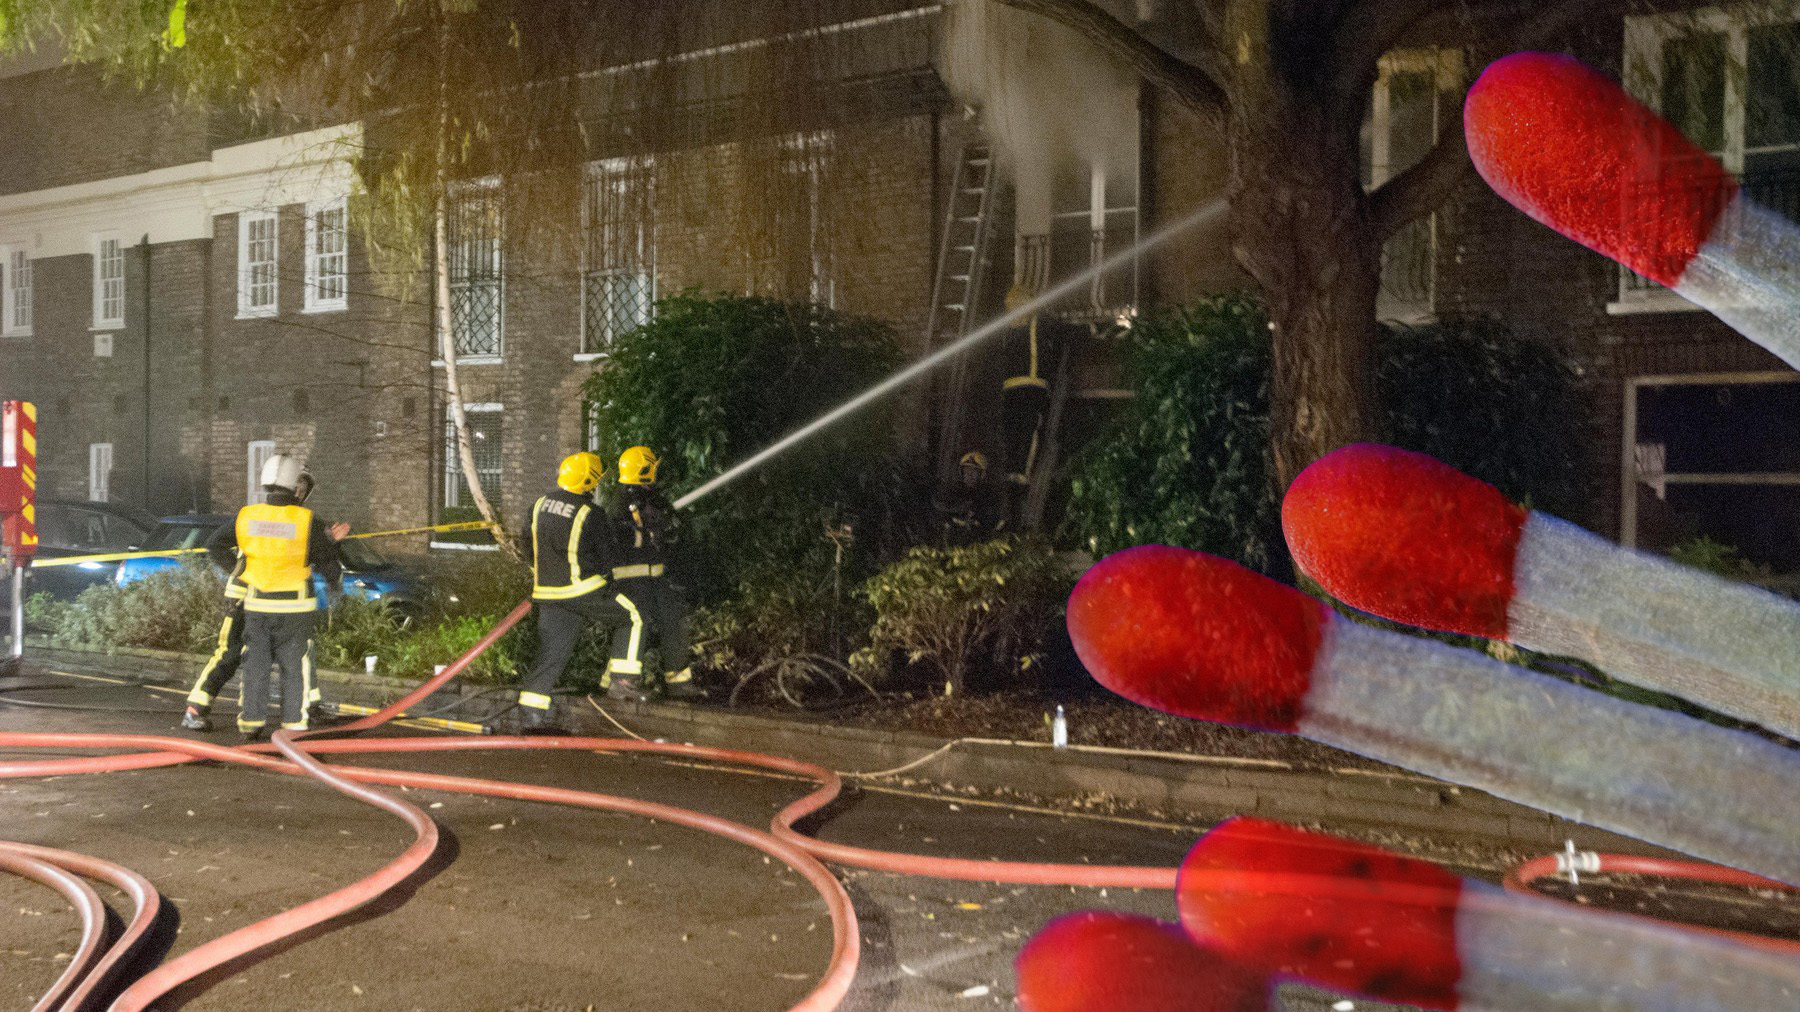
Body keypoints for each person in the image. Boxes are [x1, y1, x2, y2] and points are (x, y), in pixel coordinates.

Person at [182, 469, 347, 732]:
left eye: (304, 488)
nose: (299, 491)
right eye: (296, 486)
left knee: (304, 652)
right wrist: (241, 573)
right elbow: (216, 544)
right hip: (244, 595)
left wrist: (331, 545)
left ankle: (311, 706)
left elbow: (321, 557)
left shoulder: (302, 521)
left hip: (281, 600)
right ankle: (195, 708)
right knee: (231, 653)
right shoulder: (255, 515)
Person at [520, 452, 645, 732]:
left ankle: (532, 711)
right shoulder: (592, 513)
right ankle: (623, 679)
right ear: (588, 482)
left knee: (552, 652)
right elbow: (609, 557)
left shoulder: (538, 505)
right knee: (633, 615)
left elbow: (527, 546)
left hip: (546, 592)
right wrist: (632, 541)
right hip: (582, 590)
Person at [610, 445, 702, 701]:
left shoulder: (649, 498)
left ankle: (679, 682)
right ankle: (620, 682)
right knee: (634, 623)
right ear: (643, 469)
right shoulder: (621, 500)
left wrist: (669, 529)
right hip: (630, 578)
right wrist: (647, 536)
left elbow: (670, 525)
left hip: (655, 577)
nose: (655, 472)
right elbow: (615, 535)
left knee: (674, 618)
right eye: (652, 467)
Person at [931, 450, 1005, 546]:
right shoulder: (954, 490)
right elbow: (939, 505)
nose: (969, 475)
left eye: (974, 472)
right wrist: (959, 509)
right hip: (951, 541)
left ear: (982, 474)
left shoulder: (988, 495)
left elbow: (991, 520)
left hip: (977, 543)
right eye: (966, 471)